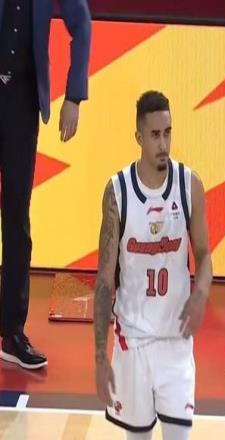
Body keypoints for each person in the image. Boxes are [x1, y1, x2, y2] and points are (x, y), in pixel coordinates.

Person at [93, 91, 213, 440]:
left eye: (168, 133)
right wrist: (100, 356)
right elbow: (104, 282)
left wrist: (201, 293)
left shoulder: (190, 185)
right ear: (139, 137)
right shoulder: (117, 192)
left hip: (176, 340)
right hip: (133, 341)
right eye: (155, 135)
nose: (163, 144)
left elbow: (204, 255)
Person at [0, 0, 91, 370]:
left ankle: (11, 332)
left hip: (22, 103)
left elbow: (81, 24)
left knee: (16, 217)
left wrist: (74, 96)